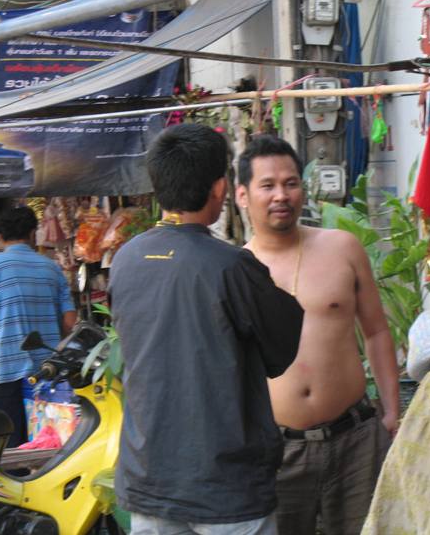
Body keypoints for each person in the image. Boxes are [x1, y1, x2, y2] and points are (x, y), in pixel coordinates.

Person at [108, 124, 303, 535]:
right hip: (225, 487)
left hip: (149, 476)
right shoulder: (230, 266)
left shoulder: (125, 259)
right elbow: (281, 350)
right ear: (220, 188)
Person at [235, 135, 400, 535]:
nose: (281, 195)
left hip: (355, 440)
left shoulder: (341, 247)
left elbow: (377, 331)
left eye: (291, 183)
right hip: (277, 450)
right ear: (243, 195)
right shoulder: (234, 269)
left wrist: (393, 415)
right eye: (268, 185)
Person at [0, 206, 76, 448]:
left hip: (6, 371)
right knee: (45, 449)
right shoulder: (52, 267)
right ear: (32, 233)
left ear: (0, 236)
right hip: (48, 375)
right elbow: (70, 321)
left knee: (3, 454)